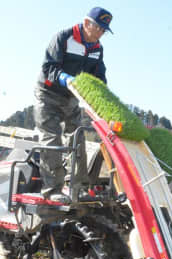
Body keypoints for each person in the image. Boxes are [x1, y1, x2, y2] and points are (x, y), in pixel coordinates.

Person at [34, 7, 113, 202]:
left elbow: (99, 77)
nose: (101, 34)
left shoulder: (97, 48)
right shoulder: (63, 37)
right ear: (87, 23)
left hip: (70, 97)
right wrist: (63, 77)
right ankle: (53, 190)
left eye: (104, 31)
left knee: (78, 139)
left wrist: (103, 97)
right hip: (48, 94)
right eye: (99, 29)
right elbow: (48, 67)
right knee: (52, 138)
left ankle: (79, 188)